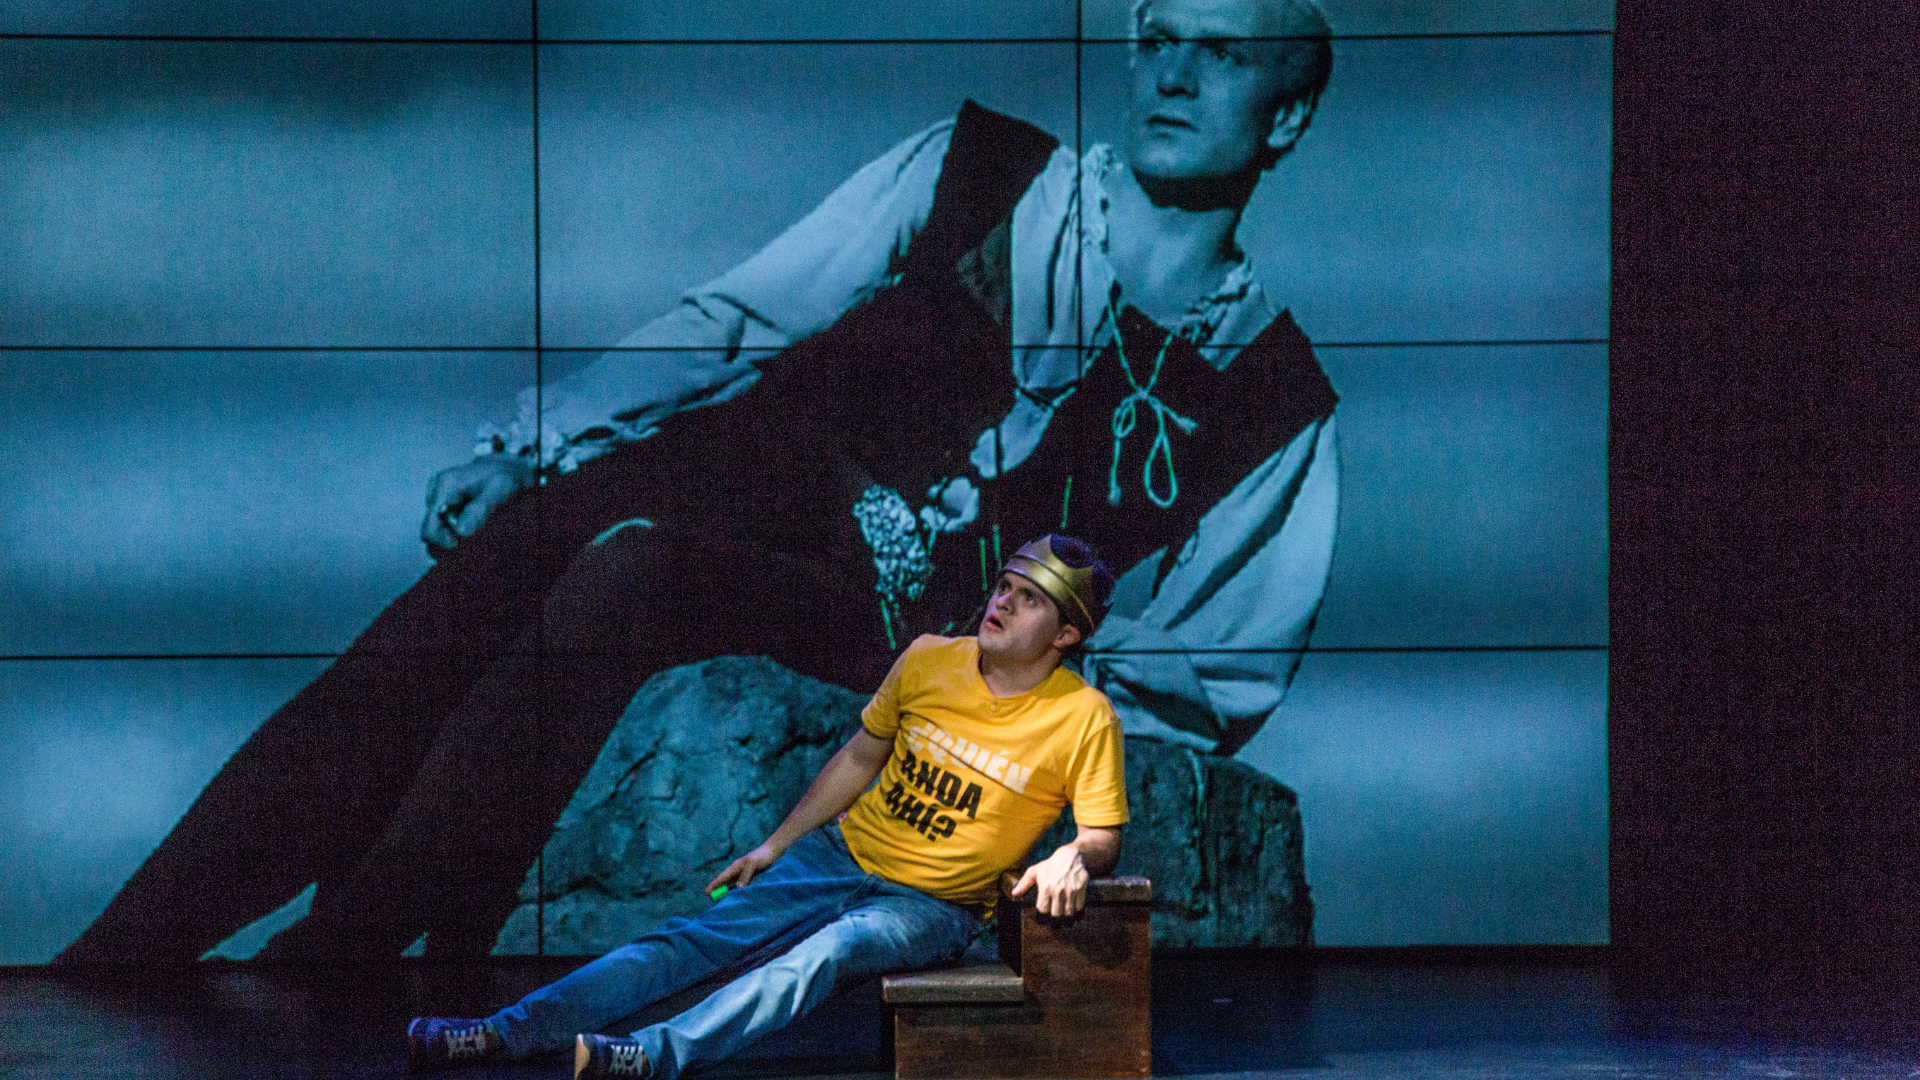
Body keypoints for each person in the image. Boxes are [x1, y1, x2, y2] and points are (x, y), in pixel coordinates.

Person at [55, 0, 1339, 966]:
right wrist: (542, 440)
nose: (1173, 74)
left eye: (1222, 54)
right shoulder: (984, 168)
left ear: (1286, 116)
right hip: (753, 469)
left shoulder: (1271, 396)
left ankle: (337, 954)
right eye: (1157, 39)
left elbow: (1211, 676)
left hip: (888, 632)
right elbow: (739, 318)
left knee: (635, 574)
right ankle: (124, 955)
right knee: (531, 544)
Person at [406, 536, 1126, 1079]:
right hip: (838, 857)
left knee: (828, 952)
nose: (1002, 603)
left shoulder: (1081, 717)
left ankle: (651, 1056)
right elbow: (860, 758)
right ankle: (502, 1032)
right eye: (1004, 586)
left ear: (1066, 634)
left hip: (931, 907)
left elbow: (1102, 836)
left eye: (1029, 600)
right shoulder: (931, 657)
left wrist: (1073, 854)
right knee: (690, 940)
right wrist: (776, 845)